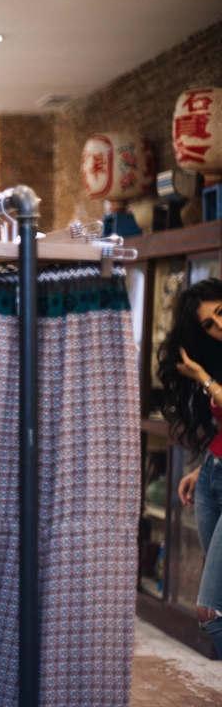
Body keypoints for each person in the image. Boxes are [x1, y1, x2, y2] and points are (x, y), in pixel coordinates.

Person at [158, 277, 222, 657]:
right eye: (208, 326)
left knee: (211, 608)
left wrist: (203, 378)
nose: (219, 328)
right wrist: (202, 471)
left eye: (221, 313)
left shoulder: (209, 374)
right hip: (212, 475)